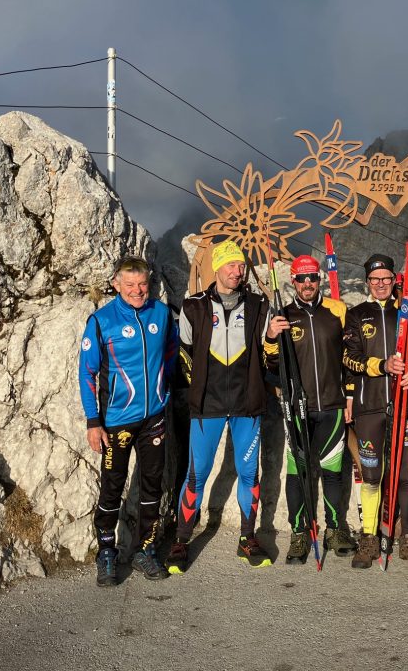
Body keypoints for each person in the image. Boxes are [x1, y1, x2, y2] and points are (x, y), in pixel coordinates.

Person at [165, 240, 272, 571]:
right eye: (230, 265)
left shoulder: (258, 305)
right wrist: (194, 391)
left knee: (249, 473)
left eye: (241, 266)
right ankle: (181, 540)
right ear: (217, 268)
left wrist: (273, 338)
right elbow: (182, 353)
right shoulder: (194, 306)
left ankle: (247, 538)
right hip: (206, 407)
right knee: (196, 474)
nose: (237, 272)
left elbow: (270, 353)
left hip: (247, 406)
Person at [79, 255, 177, 587]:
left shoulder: (161, 314)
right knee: (112, 489)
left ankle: (144, 550)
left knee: (152, 487)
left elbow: (170, 354)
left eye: (143, 284)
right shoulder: (101, 321)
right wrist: (94, 421)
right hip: (117, 421)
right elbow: (87, 373)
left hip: (154, 418)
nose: (138, 291)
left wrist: (167, 391)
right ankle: (106, 553)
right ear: (116, 285)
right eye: (130, 285)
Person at [343, 253, 408, 570]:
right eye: (374, 280)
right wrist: (381, 366)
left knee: (407, 476)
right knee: (371, 477)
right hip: (370, 409)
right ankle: (369, 537)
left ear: (395, 281)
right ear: (368, 283)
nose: (380, 285)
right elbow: (349, 359)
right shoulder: (357, 315)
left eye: (385, 279)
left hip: (406, 407)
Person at [264, 255, 357, 563]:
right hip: (297, 408)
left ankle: (334, 530)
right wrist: (271, 337)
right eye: (301, 279)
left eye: (312, 278)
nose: (307, 284)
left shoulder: (336, 313)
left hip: (331, 406)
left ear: (319, 280)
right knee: (298, 471)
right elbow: (271, 365)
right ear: (293, 282)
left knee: (332, 471)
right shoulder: (284, 316)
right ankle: (300, 534)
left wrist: (349, 398)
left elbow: (349, 358)